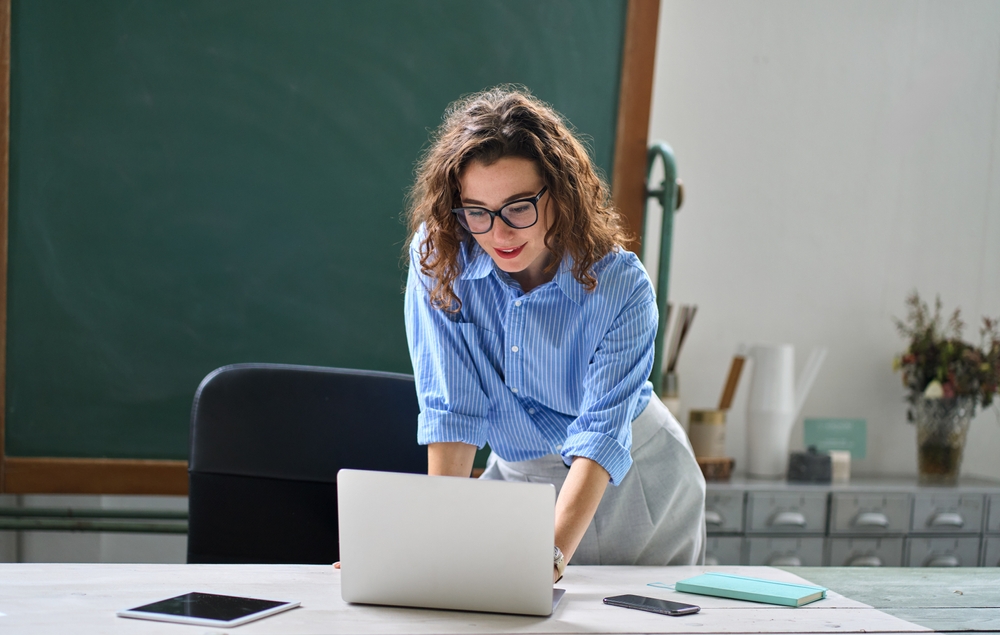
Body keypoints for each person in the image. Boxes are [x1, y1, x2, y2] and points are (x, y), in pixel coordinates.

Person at [404, 85, 705, 581]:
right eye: (477, 211)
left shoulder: (620, 285)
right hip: (520, 477)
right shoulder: (440, 259)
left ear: (559, 194)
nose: (499, 234)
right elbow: (452, 413)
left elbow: (599, 439)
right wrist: (429, 545)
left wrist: (550, 558)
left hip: (630, 481)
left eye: (519, 207)